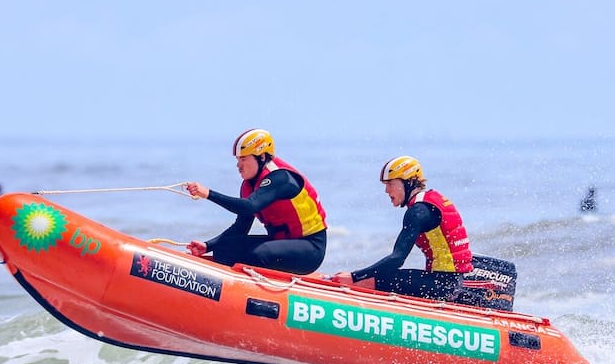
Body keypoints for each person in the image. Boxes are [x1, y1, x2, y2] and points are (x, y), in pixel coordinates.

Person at [184, 128, 328, 275]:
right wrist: (208, 246)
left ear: (262, 157)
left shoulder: (281, 178)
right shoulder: (249, 186)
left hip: (310, 249)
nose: (238, 166)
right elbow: (241, 227)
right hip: (280, 244)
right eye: (238, 159)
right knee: (225, 247)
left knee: (259, 255)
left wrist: (208, 194)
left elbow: (250, 206)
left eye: (244, 159)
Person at [331, 155, 472, 301]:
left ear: (409, 182)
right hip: (451, 282)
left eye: (390, 183)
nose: (386, 190)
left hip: (441, 285)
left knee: (372, 280)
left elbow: (396, 259)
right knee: (384, 277)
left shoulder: (418, 211)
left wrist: (354, 277)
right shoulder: (431, 201)